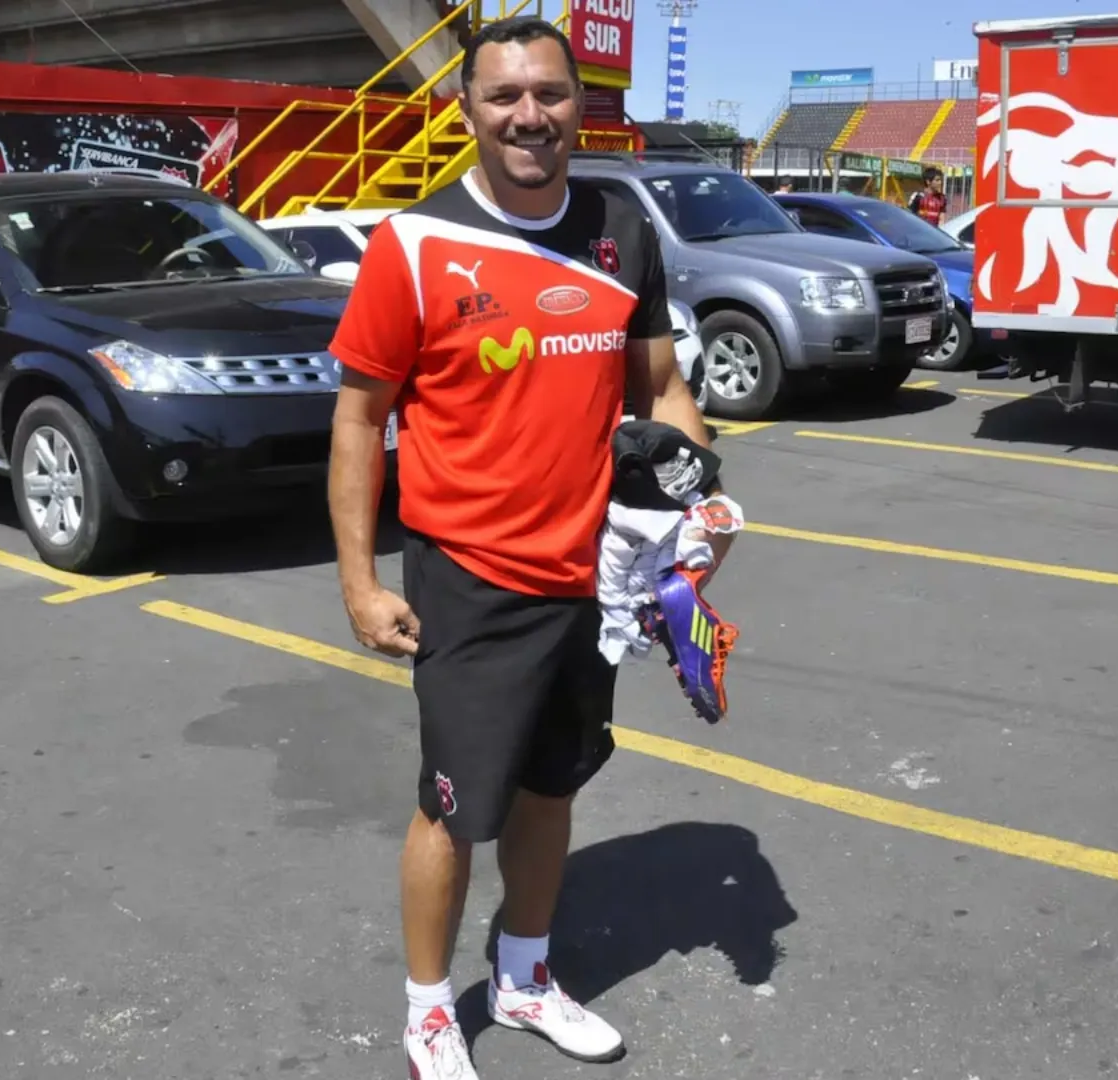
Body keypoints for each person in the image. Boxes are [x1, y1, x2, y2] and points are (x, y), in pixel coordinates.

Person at [323, 15, 729, 1079]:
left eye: (549, 94)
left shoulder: (619, 227)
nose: (529, 116)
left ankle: (524, 976)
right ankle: (425, 1010)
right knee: (454, 810)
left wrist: (702, 502)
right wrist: (361, 583)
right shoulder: (410, 247)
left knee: (555, 787)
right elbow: (360, 422)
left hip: (593, 576)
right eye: (504, 96)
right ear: (468, 110)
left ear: (579, 103)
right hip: (469, 580)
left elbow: (661, 392)